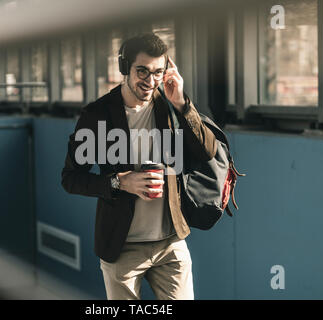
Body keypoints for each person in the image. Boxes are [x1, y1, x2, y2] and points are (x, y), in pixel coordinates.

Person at [61, 33, 217, 300]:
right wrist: (118, 182)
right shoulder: (97, 115)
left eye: (158, 72)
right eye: (142, 71)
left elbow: (207, 150)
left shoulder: (169, 105)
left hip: (170, 242)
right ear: (125, 69)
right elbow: (71, 178)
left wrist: (181, 103)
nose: (151, 80)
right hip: (122, 247)